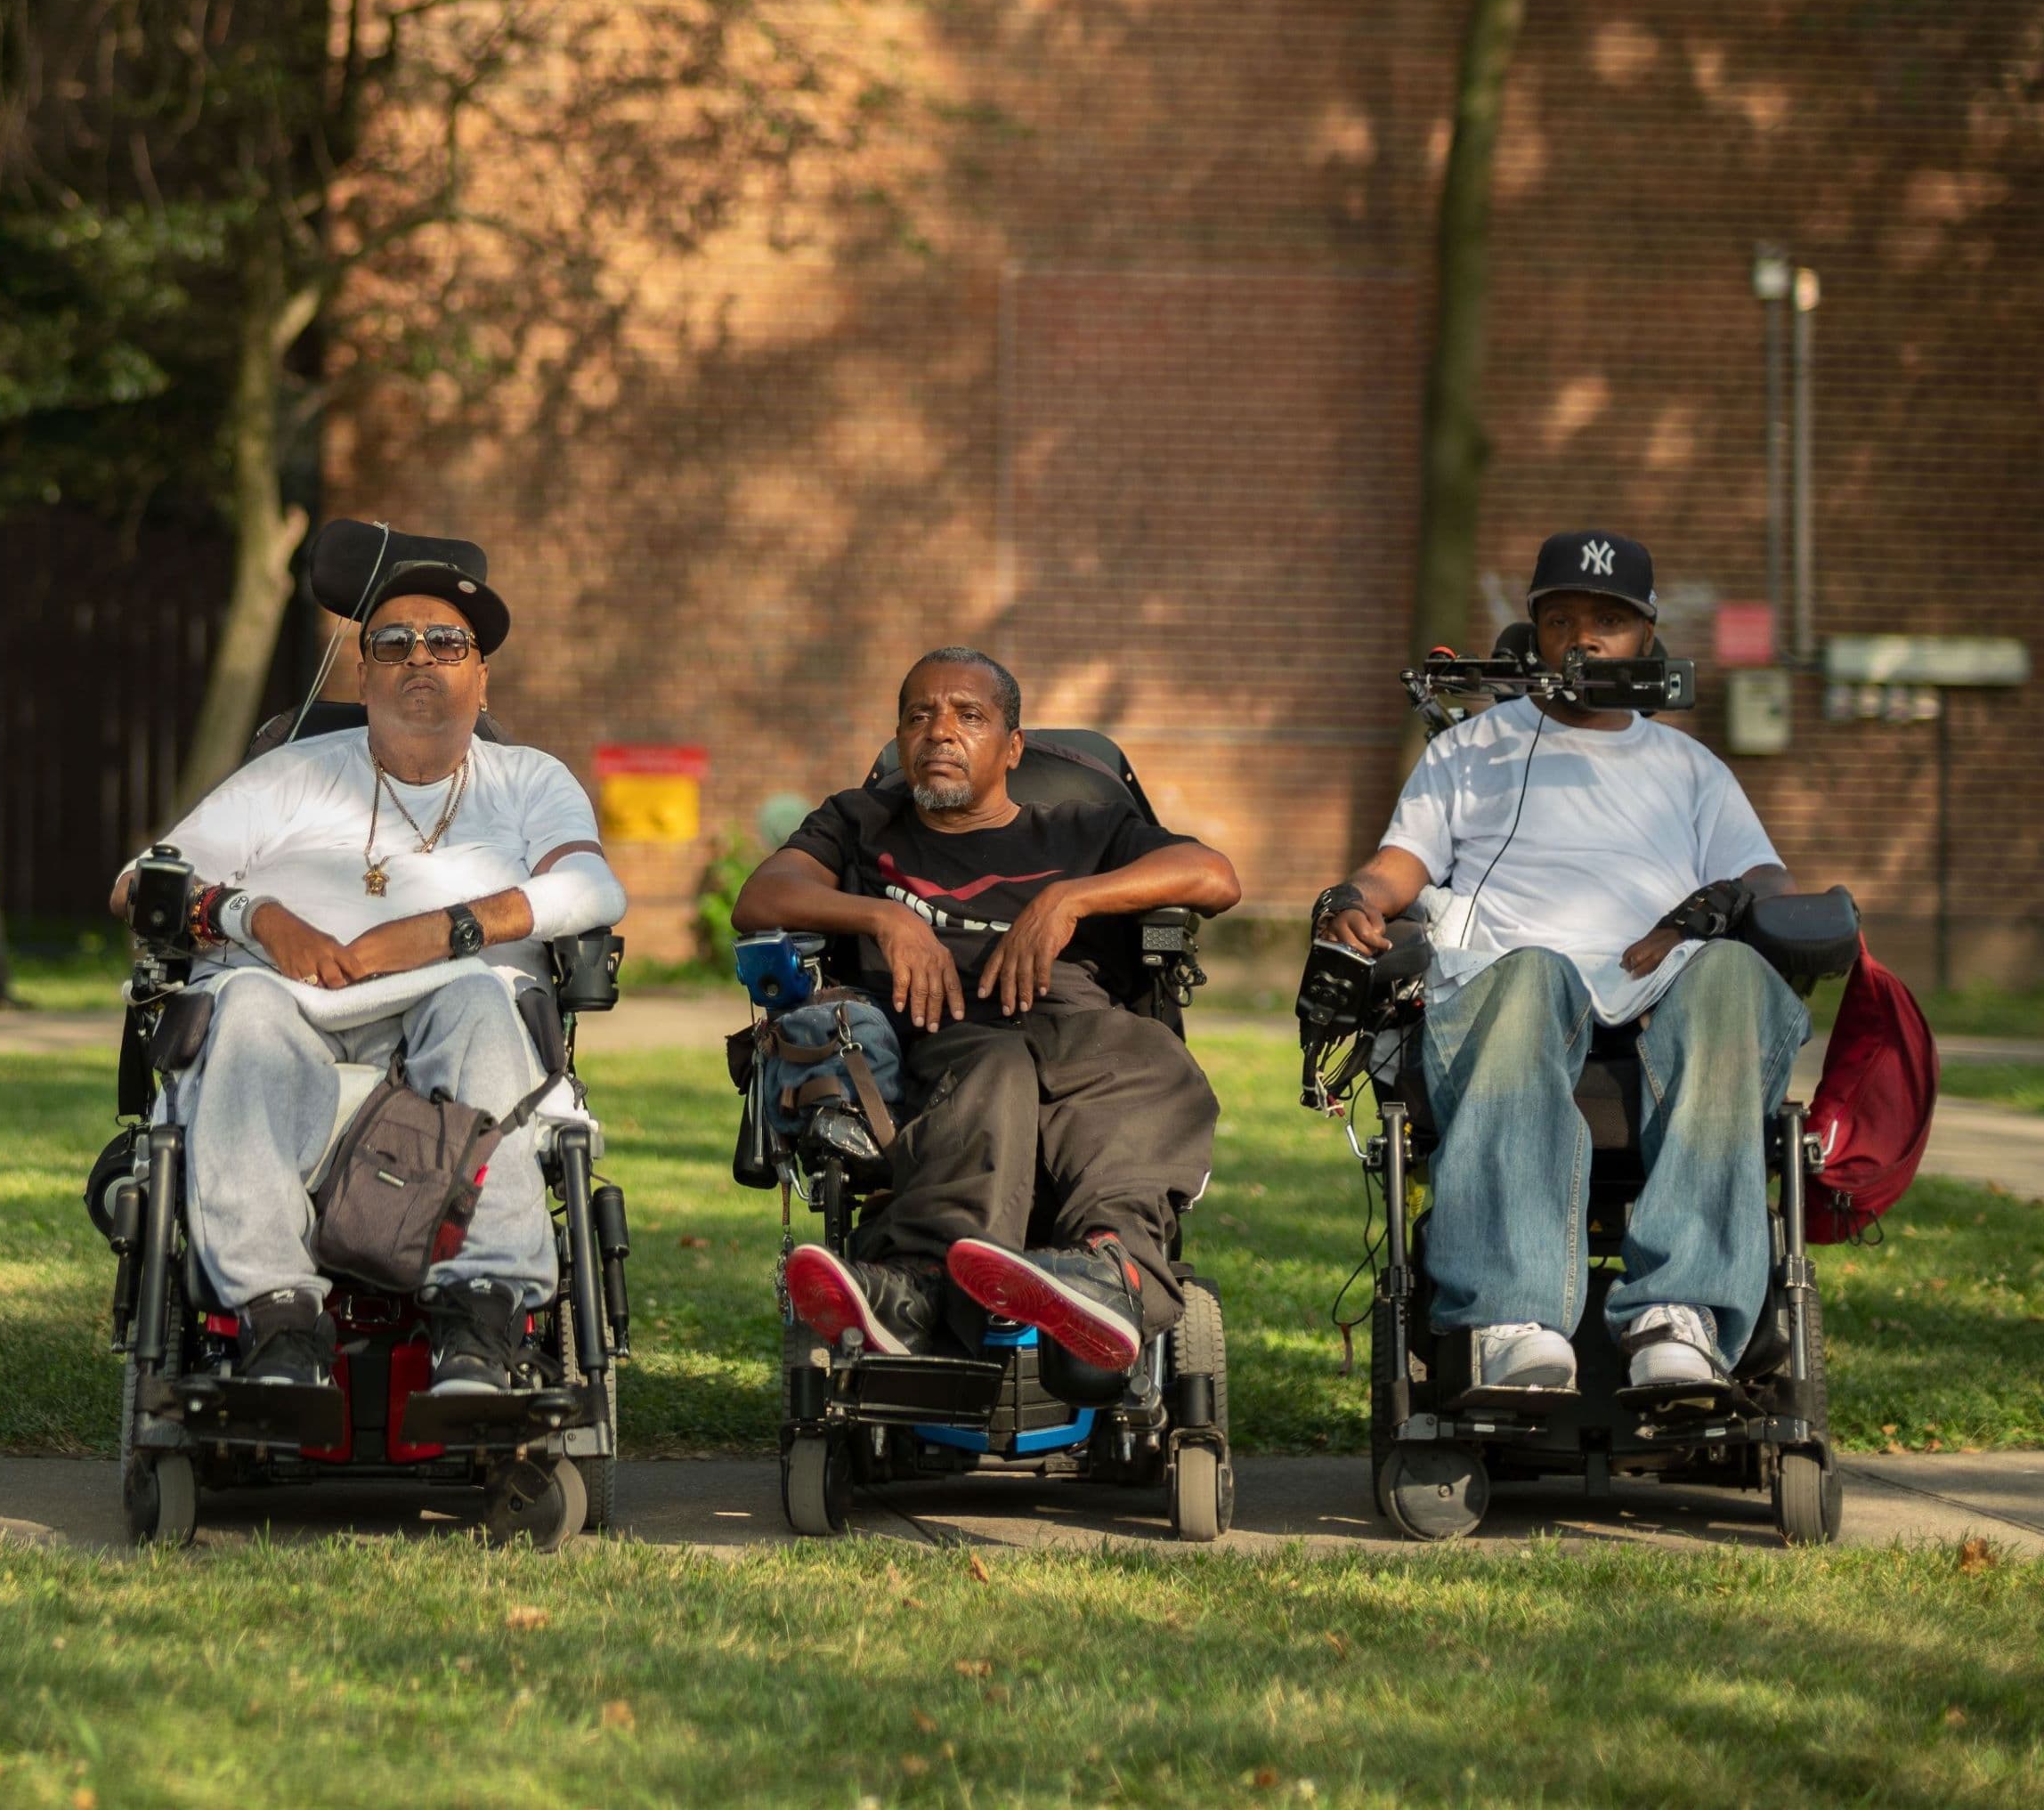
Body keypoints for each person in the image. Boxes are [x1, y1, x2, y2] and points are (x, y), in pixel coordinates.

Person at [111, 540, 624, 1395]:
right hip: (286, 1006)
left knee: (479, 999)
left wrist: (444, 932)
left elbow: (592, 887)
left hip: (457, 1006)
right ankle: (277, 1318)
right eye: (393, 642)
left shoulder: (530, 780)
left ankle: (482, 1317)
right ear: (363, 675)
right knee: (245, 1006)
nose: (420, 656)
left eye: (447, 643)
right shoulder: (288, 774)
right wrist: (258, 917)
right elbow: (142, 882)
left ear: (482, 677)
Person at [1318, 530, 1802, 1393]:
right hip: (1512, 986)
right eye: (1562, 620)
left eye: (1609, 621)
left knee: (1734, 975)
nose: (1584, 639)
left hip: (1662, 990)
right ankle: (1515, 1322)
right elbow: (1398, 867)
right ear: (1535, 632)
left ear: (1646, 636)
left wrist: (1719, 903)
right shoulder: (1469, 750)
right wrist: (1354, 898)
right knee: (1533, 971)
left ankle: (1678, 1318)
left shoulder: (1690, 769)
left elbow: (1767, 878)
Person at [733, 647, 1239, 1388]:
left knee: (1149, 1060)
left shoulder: (1086, 830)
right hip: (945, 1044)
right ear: (900, 739)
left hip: (1084, 1036)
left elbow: (1215, 877)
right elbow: (762, 897)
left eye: (969, 716)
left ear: (1013, 748)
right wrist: (884, 918)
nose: (940, 731)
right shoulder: (861, 823)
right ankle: (919, 1285)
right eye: (919, 716)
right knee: (995, 1068)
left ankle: (1108, 1277)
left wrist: (1069, 899)